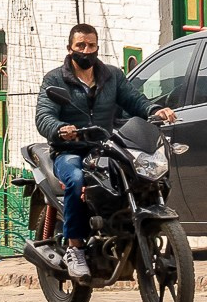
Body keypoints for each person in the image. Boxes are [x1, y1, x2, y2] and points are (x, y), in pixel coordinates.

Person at [35, 25, 176, 281]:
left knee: (138, 171)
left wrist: (155, 110)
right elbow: (44, 116)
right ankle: (75, 248)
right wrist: (60, 130)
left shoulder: (112, 75)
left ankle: (128, 224)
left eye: (91, 45)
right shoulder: (55, 80)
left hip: (105, 146)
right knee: (76, 181)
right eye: (80, 46)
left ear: (97, 47)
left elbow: (135, 100)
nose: (86, 51)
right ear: (70, 49)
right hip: (70, 150)